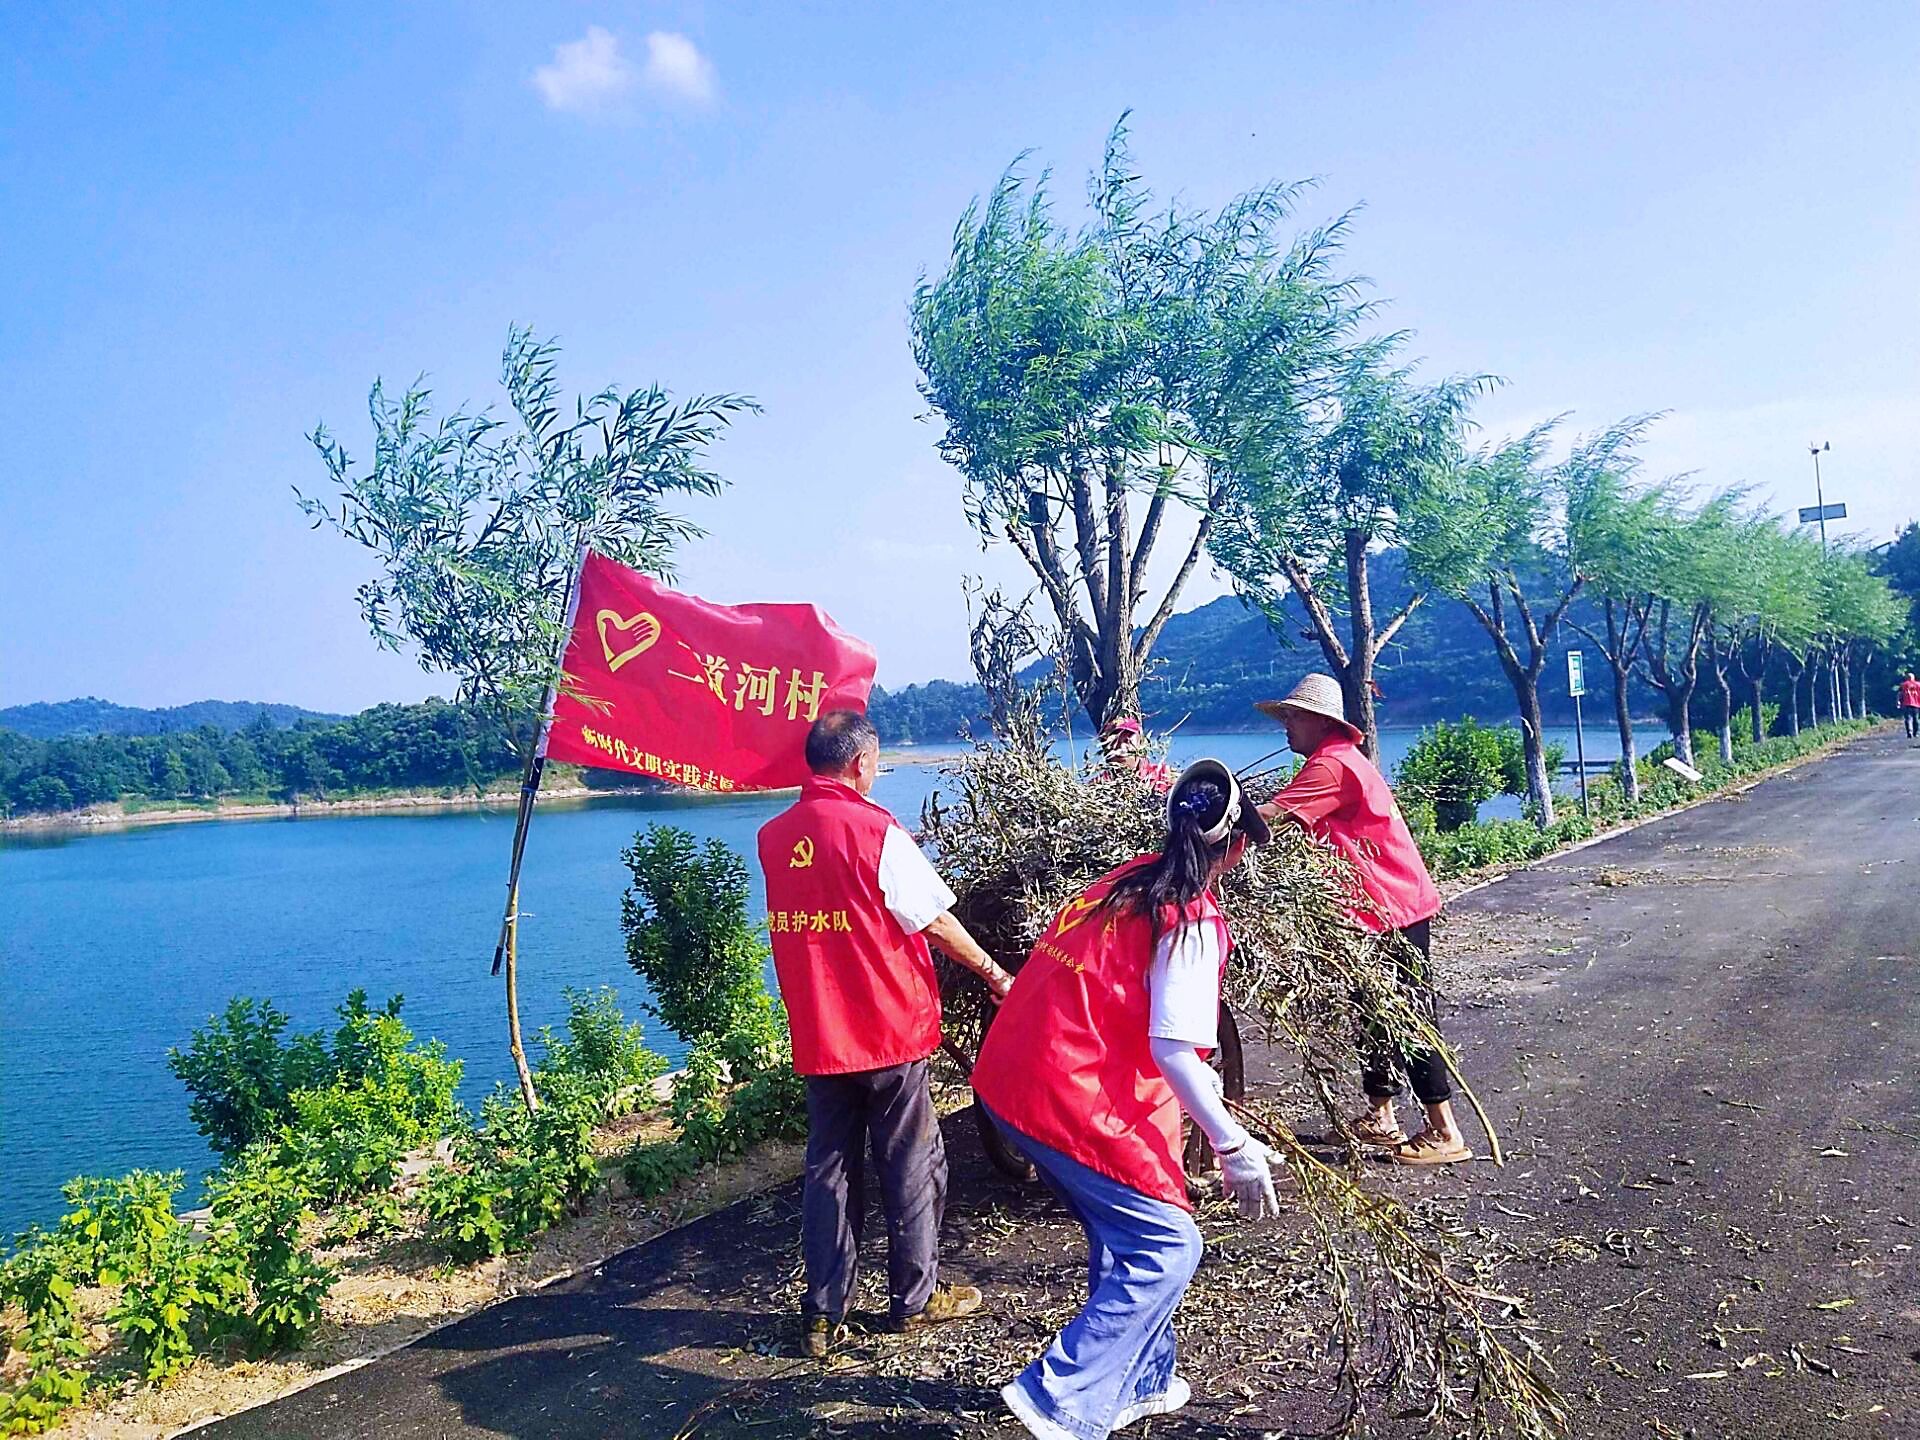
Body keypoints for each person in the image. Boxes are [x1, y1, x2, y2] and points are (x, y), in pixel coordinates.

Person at [973, 759, 1279, 1439]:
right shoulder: (1191, 919)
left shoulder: (1121, 883)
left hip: (1009, 1079)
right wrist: (1233, 1146)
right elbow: (1176, 1050)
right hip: (1064, 1093)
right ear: (1232, 846)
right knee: (1171, 1246)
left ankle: (1143, 1381)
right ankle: (1060, 1396)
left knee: (1130, 1226)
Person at [758, 710, 1015, 1358]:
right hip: (886, 1031)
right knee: (910, 1162)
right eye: (874, 762)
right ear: (859, 763)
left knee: (829, 1171)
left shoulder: (774, 838)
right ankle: (916, 1298)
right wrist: (993, 972)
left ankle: (822, 1315)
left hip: (821, 1033)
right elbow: (932, 920)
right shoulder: (875, 832)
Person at [1252, 674, 1470, 1167]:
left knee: (1408, 1017)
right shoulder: (1334, 761)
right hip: (1373, 909)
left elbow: (1270, 819)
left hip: (1392, 906)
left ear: (1318, 722)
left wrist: (1210, 819)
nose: (1286, 726)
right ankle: (1382, 1116)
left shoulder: (1331, 765)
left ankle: (1445, 1132)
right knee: (1374, 1013)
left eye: (1292, 717)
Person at [1099, 715, 1173, 792]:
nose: (1121, 748)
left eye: (1127, 741)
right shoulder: (1098, 786)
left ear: (1140, 744)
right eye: (1115, 742)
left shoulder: (1164, 775)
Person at [1898, 672, 1920, 740]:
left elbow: (1900, 694)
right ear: (1913, 678)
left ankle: (1909, 732)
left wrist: (1898, 702)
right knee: (1916, 719)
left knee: (1908, 719)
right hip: (1916, 704)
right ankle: (1915, 733)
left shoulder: (1903, 685)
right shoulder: (1918, 685)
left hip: (1906, 704)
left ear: (1907, 678)